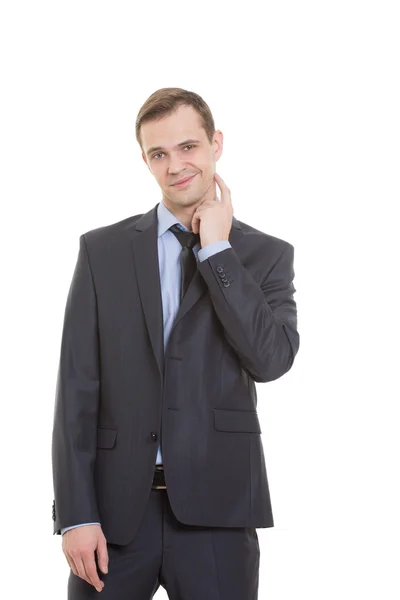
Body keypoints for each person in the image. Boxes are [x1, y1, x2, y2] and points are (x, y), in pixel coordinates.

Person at [51, 87, 300, 599]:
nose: (176, 166)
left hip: (220, 514)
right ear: (145, 160)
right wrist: (76, 514)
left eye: (189, 147)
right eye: (159, 154)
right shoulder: (102, 252)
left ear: (216, 144)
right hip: (114, 518)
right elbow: (75, 392)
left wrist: (217, 251)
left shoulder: (266, 255)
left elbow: (271, 359)